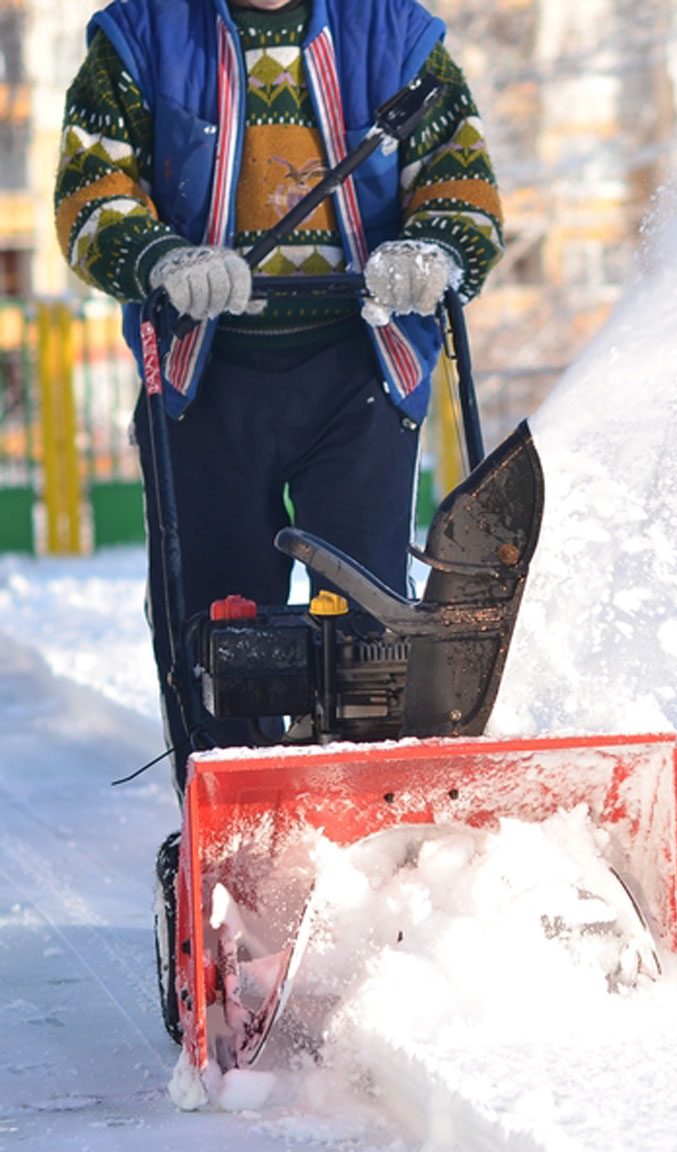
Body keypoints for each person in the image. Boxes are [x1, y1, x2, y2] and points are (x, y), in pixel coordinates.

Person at [54, 0, 505, 798]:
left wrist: (432, 248)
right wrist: (162, 258)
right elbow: (92, 196)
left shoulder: (395, 35)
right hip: (204, 380)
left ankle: (370, 813)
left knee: (370, 631)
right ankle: (230, 813)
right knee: (214, 629)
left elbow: (461, 185)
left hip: (361, 371)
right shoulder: (142, 35)